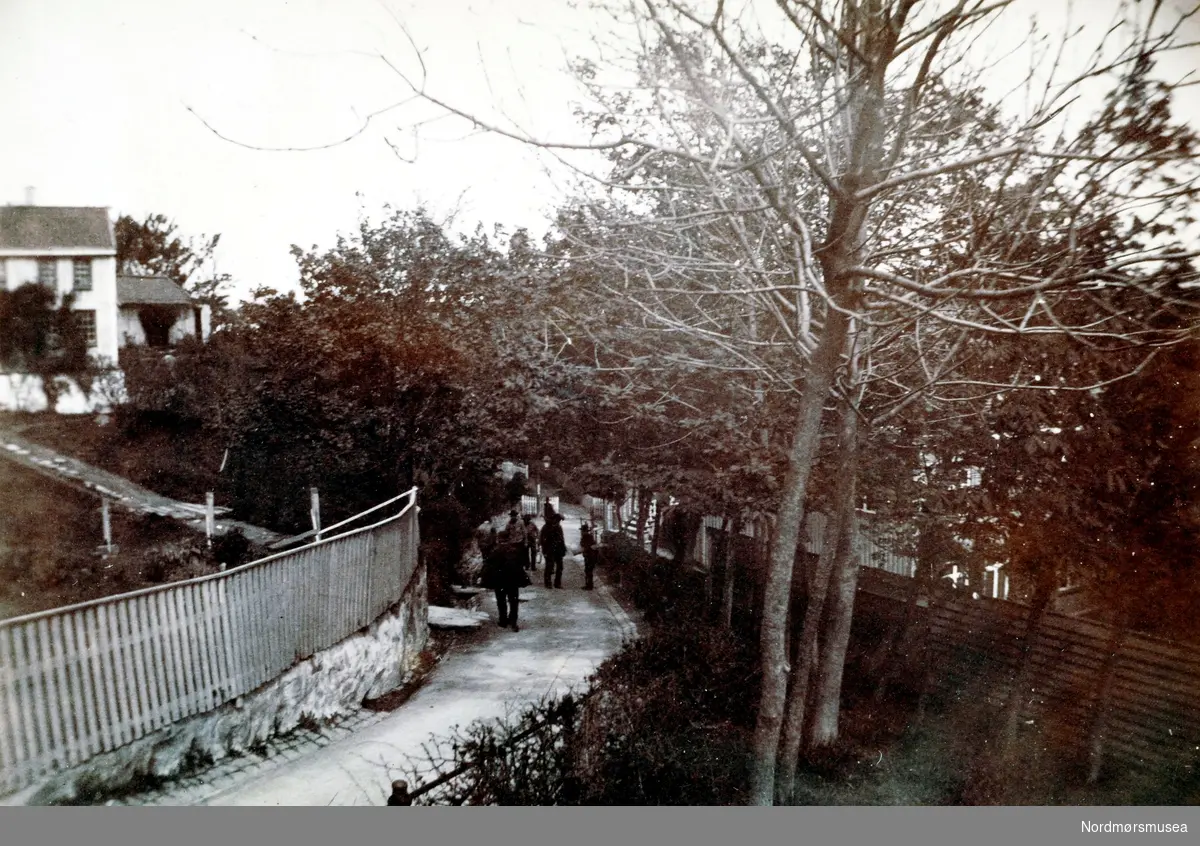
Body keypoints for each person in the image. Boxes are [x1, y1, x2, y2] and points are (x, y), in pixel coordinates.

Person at [541, 511, 566, 589]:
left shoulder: (559, 527)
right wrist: (544, 550)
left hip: (558, 550)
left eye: (559, 521)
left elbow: (561, 539)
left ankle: (557, 583)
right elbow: (542, 540)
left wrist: (563, 549)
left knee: (560, 567)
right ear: (554, 519)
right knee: (549, 566)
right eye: (557, 520)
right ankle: (548, 583)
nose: (558, 522)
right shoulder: (546, 527)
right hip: (550, 550)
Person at [580, 521, 598, 591]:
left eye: (582, 531)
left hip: (590, 556)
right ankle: (588, 585)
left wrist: (582, 550)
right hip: (590, 556)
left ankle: (589, 586)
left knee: (588, 571)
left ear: (584, 531)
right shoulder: (589, 537)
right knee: (588, 571)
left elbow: (587, 547)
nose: (581, 532)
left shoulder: (586, 537)